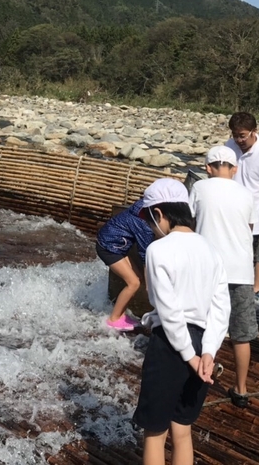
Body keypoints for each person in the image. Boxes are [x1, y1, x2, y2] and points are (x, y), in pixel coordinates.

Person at [133, 178, 230, 465]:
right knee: (183, 429)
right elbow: (220, 308)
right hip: (203, 343)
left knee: (154, 432)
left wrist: (189, 358)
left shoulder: (158, 250)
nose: (151, 228)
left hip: (171, 347)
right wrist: (208, 353)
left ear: (160, 214)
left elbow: (170, 311)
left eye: (150, 220)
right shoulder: (211, 250)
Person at [189, 145, 257, 407]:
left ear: (208, 168)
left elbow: (189, 222)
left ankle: (198, 375)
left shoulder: (200, 188)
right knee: (241, 333)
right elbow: (249, 229)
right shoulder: (246, 194)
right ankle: (241, 389)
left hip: (207, 269)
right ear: (235, 169)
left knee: (201, 325)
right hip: (241, 270)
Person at [224, 112, 259, 297]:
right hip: (230, 213)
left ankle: (246, 293)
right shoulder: (229, 147)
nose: (238, 140)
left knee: (248, 258)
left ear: (254, 131)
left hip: (253, 218)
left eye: (242, 135)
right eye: (235, 135)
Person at [95, 192, 156, 331]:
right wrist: (149, 284)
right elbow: (144, 253)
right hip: (108, 247)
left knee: (137, 279)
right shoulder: (144, 223)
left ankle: (120, 314)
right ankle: (113, 319)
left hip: (113, 243)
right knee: (133, 283)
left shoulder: (142, 208)